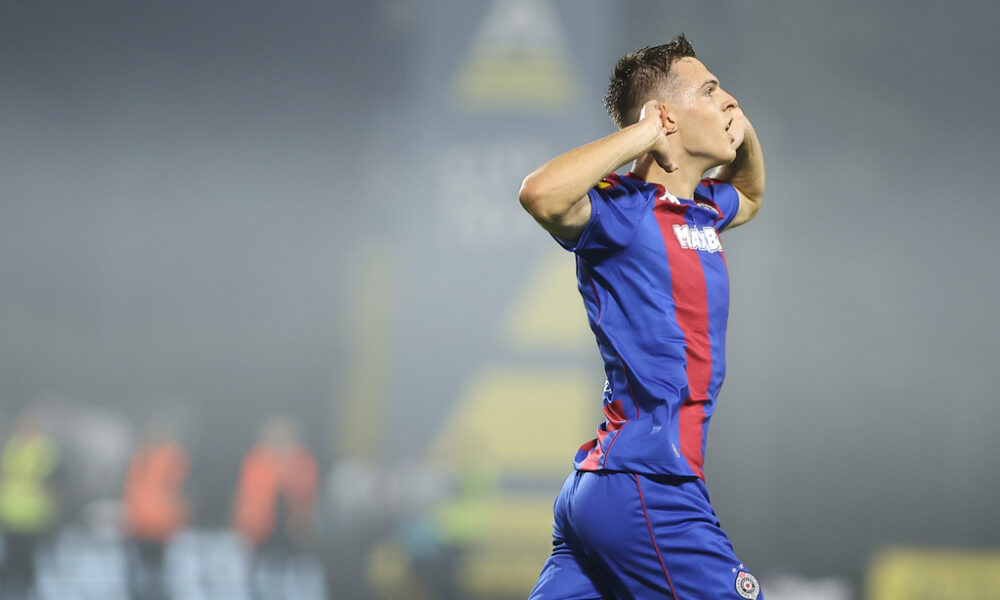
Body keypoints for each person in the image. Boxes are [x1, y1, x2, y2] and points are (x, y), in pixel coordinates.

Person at [518, 35, 766, 600]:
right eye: (710, 90)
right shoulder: (622, 210)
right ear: (666, 117)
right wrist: (642, 133)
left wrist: (743, 131)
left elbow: (750, 195)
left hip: (604, 485)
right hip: (650, 484)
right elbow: (540, 194)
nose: (728, 99)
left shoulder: (703, 209)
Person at [122, 419, 189, 600]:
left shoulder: (171, 457)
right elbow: (132, 490)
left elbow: (177, 489)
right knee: (140, 571)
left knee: (156, 571)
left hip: (160, 525)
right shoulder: (142, 457)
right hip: (139, 524)